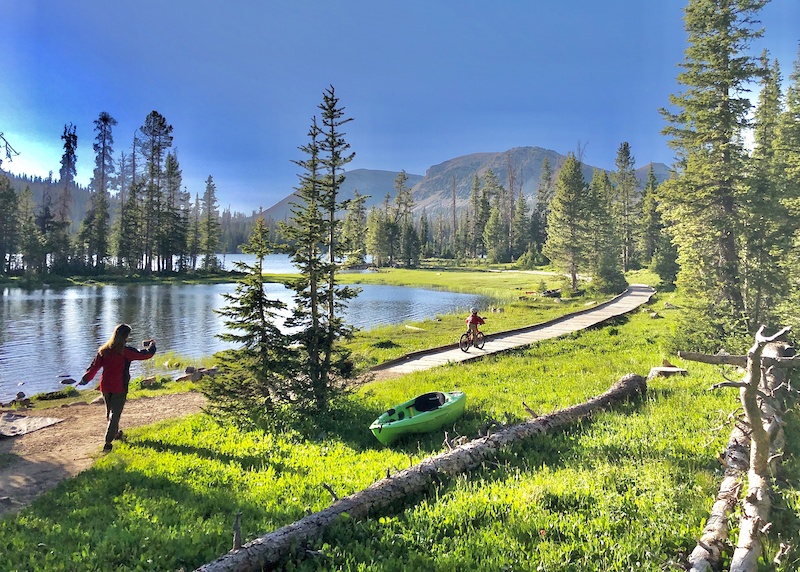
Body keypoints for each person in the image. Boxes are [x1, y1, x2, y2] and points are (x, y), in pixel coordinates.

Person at [79, 323, 156, 452]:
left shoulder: (103, 350)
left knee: (110, 411)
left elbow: (93, 367)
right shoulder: (125, 351)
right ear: (125, 336)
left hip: (105, 385)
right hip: (119, 386)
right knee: (115, 414)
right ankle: (108, 443)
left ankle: (115, 434)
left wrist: (85, 379)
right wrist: (152, 346)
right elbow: (145, 355)